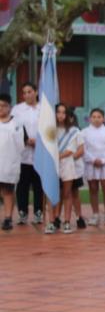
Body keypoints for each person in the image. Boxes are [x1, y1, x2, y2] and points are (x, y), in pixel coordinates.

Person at [45, 104, 80, 234]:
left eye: (63, 112)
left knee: (66, 193)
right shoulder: (49, 129)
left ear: (68, 115)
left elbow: (71, 150)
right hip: (52, 165)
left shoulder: (73, 131)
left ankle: (66, 222)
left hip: (67, 164)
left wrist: (56, 155)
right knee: (52, 193)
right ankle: (52, 221)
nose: (60, 115)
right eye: (58, 112)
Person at [11, 82, 43, 225]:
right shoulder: (17, 110)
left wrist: (39, 141)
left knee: (38, 185)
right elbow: (13, 127)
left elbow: (49, 129)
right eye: (24, 92)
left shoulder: (44, 109)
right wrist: (24, 140)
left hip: (40, 154)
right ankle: (22, 212)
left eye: (29, 91)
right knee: (22, 185)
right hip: (23, 153)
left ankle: (38, 212)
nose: (27, 95)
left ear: (36, 92)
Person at [83, 108, 105, 226]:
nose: (96, 119)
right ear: (90, 118)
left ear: (103, 118)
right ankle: (95, 214)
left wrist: (103, 160)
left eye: (99, 117)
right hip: (91, 163)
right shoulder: (84, 132)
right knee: (93, 189)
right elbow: (84, 149)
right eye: (94, 117)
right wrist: (93, 160)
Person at [0, 93, 24, 231]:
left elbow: (20, 145)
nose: (1, 108)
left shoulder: (17, 124)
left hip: (9, 163)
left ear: (10, 107)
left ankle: (8, 218)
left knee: (8, 190)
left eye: (4, 106)